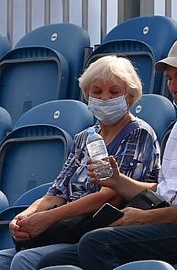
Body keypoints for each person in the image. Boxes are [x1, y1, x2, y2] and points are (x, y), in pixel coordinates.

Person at [37, 37, 177, 270]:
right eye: (170, 78)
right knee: (52, 262)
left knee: (97, 243)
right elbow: (164, 190)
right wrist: (117, 181)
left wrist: (144, 218)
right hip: (166, 224)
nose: (173, 87)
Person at [1, 56, 160, 270]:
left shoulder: (139, 133)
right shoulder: (85, 137)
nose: (104, 98)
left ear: (130, 98)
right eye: (97, 92)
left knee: (25, 261)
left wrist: (48, 218)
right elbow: (56, 193)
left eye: (114, 92)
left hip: (101, 233)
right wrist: (25, 216)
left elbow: (111, 195)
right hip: (69, 228)